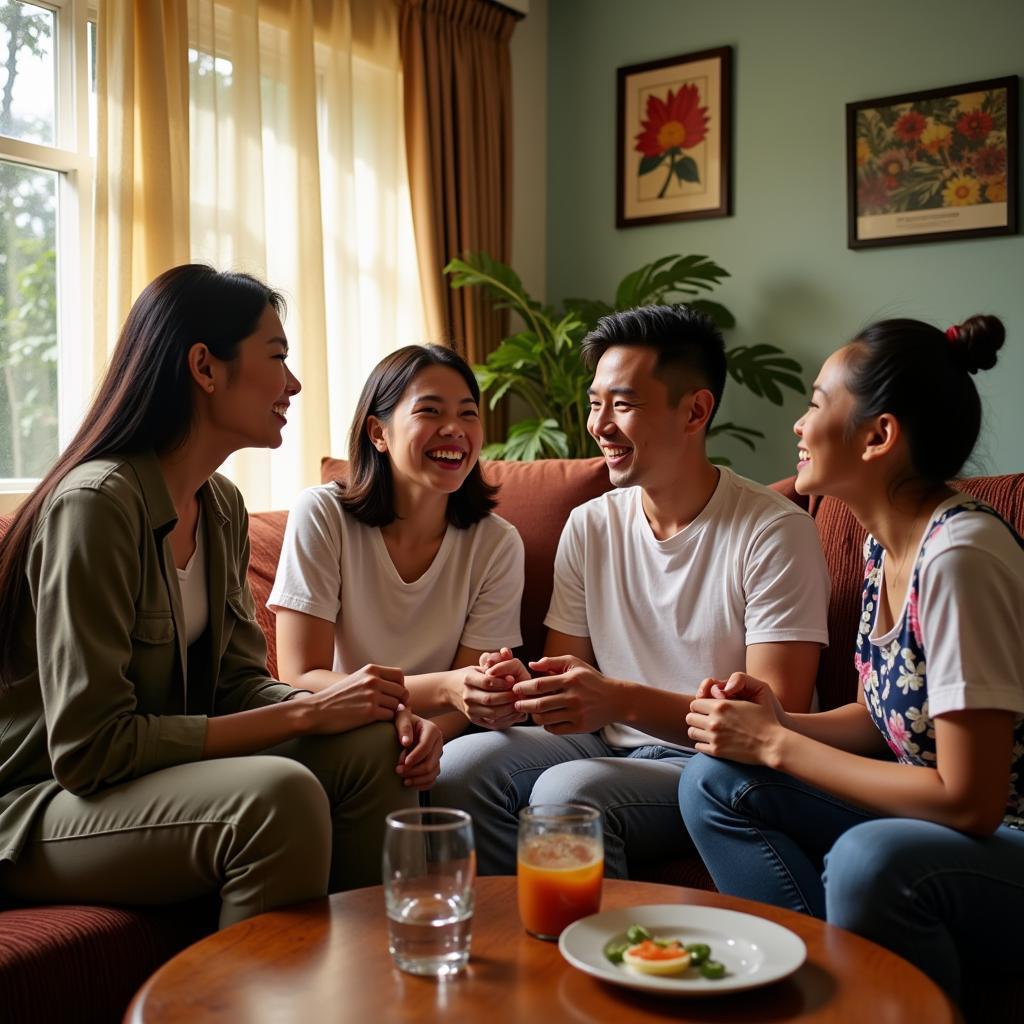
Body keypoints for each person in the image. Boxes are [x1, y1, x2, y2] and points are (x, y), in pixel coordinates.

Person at [0, 264, 424, 930]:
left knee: (373, 744)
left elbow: (240, 687)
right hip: (38, 807)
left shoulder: (220, 507)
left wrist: (351, 705)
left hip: (135, 783)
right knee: (275, 797)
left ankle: (368, 993)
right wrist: (304, 716)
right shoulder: (96, 506)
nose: (294, 383)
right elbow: (90, 751)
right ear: (205, 366)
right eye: (277, 357)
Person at [678, 315, 1024, 1001]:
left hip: (1008, 832)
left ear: (878, 436)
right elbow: (880, 716)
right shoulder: (884, 545)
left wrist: (779, 746)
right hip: (948, 825)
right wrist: (775, 721)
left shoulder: (959, 561)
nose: (799, 428)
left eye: (814, 403)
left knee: (871, 859)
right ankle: (826, 997)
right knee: (712, 778)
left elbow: (972, 801)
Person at [432, 305, 830, 877]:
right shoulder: (591, 524)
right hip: (605, 742)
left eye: (622, 404)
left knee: (569, 796)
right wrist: (528, 687)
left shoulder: (773, 530)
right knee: (460, 766)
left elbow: (774, 716)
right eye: (595, 403)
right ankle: (513, 945)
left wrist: (618, 700)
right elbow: (568, 673)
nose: (599, 424)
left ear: (695, 411)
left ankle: (602, 958)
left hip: (714, 764)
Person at [269, 343, 525, 742]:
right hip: (339, 730)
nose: (454, 428)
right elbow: (300, 676)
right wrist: (437, 696)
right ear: (378, 433)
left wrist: (429, 737)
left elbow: (468, 695)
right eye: (431, 411)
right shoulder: (322, 514)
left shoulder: (497, 544)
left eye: (467, 413)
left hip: (441, 739)